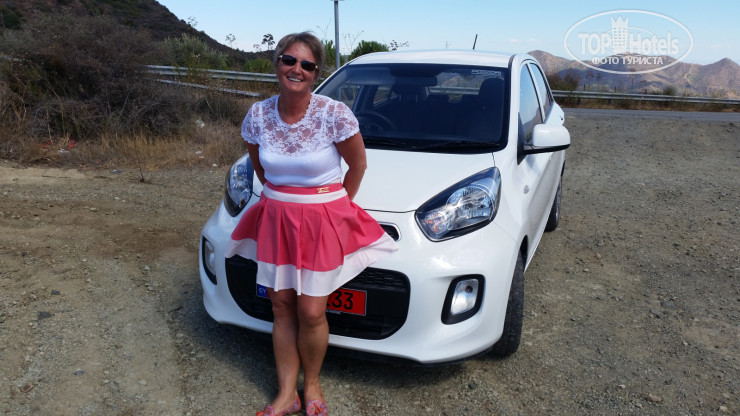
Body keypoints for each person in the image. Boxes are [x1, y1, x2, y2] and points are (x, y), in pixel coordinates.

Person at [225, 32, 397, 416]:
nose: (296, 69)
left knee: (312, 311)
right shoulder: (258, 116)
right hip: (277, 220)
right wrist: (281, 197)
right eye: (289, 60)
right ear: (277, 64)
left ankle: (313, 383)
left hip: (321, 222)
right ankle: (287, 394)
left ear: (316, 72)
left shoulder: (333, 114)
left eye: (307, 64)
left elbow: (358, 165)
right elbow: (261, 168)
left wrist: (336, 209)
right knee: (282, 306)